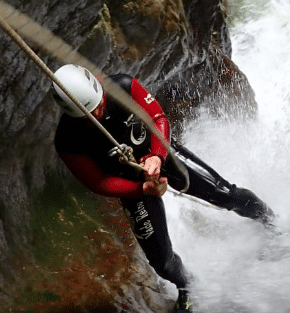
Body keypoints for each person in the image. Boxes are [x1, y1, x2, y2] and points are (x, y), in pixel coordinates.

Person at [51, 64, 274, 313]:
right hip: (134, 186)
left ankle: (273, 223)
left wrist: (157, 156)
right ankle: (188, 286)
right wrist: (141, 190)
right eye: (91, 113)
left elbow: (158, 118)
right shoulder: (67, 139)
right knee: (161, 262)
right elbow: (98, 182)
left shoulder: (122, 86)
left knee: (226, 195)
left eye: (100, 104)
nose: (100, 112)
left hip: (164, 153)